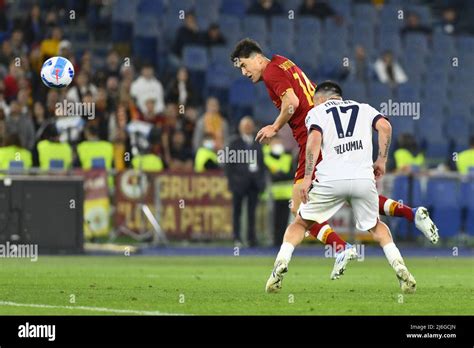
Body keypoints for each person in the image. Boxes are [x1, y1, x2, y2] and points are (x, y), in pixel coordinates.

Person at [230, 38, 439, 255]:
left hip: (313, 140)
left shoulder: (272, 73)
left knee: (297, 206)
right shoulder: (282, 61)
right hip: (328, 136)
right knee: (353, 194)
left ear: (257, 58)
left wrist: (274, 127)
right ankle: (411, 214)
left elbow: (291, 103)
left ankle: (341, 249)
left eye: (244, 65)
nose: (244, 72)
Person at [266, 81, 417, 293]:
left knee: (301, 222)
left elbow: (314, 141)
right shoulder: (364, 108)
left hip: (330, 180)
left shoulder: (317, 112)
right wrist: (381, 160)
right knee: (376, 225)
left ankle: (279, 266)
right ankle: (400, 266)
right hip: (364, 180)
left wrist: (307, 177)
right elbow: (385, 127)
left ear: (319, 99)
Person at [224, 117, 265, 247]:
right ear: (240, 127)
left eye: (249, 125)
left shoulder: (258, 142)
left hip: (254, 183)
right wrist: (231, 182)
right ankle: (237, 238)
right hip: (239, 183)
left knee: (252, 213)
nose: (247, 128)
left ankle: (251, 239)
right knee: (237, 211)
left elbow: (262, 163)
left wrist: (261, 181)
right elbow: (228, 165)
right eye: (245, 125)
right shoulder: (234, 143)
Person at [263, 137, 293, 246]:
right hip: (271, 195)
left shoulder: (287, 157)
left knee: (285, 221)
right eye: (275, 142)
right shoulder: (266, 157)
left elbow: (291, 174)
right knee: (272, 221)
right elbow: (269, 175)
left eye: (279, 142)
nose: (278, 145)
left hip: (286, 194)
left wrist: (278, 175)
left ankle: (283, 242)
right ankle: (273, 241)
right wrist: (281, 175)